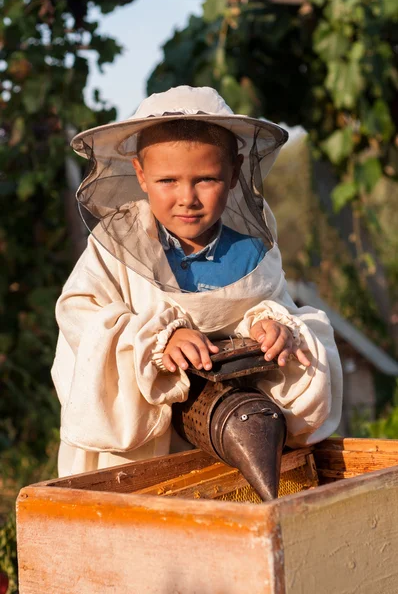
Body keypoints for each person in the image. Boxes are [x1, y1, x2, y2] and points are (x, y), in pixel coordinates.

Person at [52, 86, 342, 477]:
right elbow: (78, 312)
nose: (187, 197)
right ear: (140, 173)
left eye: (206, 179)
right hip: (136, 449)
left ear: (235, 171)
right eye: (167, 180)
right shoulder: (118, 243)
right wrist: (157, 341)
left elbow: (273, 307)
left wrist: (273, 327)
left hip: (226, 440)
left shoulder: (253, 254)